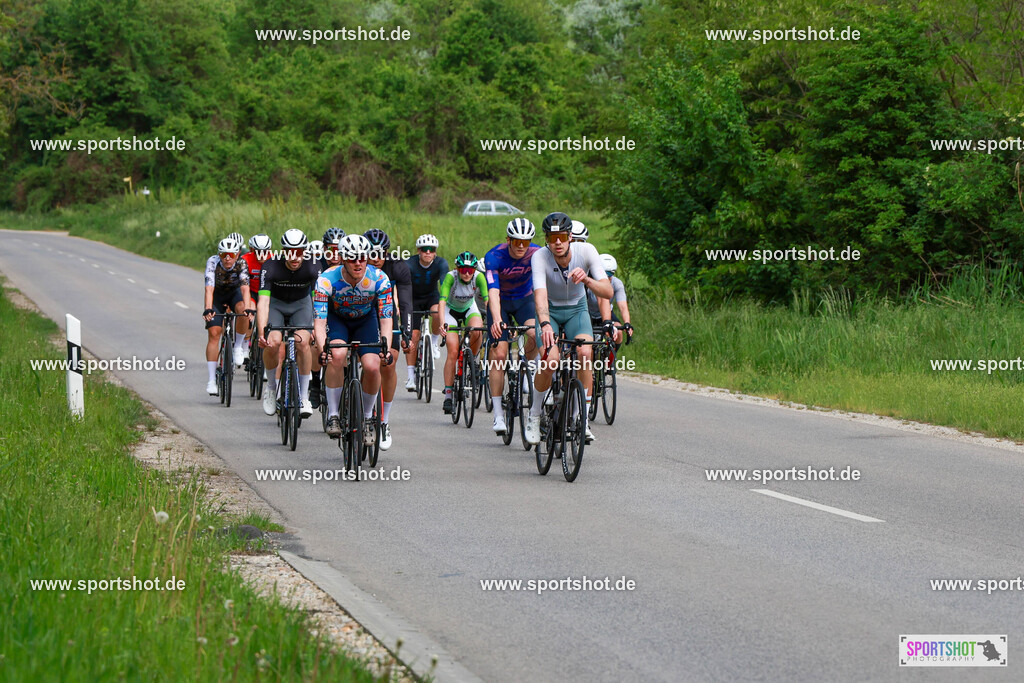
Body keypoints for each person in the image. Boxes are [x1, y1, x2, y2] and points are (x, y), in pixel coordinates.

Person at [526, 212, 612, 444]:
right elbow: (540, 295)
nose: (557, 242)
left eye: (562, 237)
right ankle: (534, 415)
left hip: (577, 310)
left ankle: (580, 420)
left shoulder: (587, 252)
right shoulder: (539, 257)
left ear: (570, 237)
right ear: (546, 239)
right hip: (550, 312)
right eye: (552, 238)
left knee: (585, 353)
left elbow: (608, 292)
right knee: (551, 360)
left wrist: (587, 280)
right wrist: (544, 323)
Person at [314, 235, 394, 445]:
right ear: (342, 258)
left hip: (366, 321)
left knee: (373, 365)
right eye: (351, 258)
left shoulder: (380, 278)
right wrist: (324, 348)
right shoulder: (326, 279)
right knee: (337, 354)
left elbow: (386, 319)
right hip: (337, 319)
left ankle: (368, 417)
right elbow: (320, 323)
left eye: (362, 257)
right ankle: (333, 414)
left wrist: (385, 347)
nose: (358, 263)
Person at [255, 229, 320, 418]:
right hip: (276, 304)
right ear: (283, 251)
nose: (295, 256)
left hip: (302, 305)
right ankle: (271, 388)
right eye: (290, 251)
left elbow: (319, 301)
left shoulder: (313, 266)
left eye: (299, 251)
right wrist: (261, 332)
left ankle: (303, 396)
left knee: (303, 343)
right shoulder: (270, 266)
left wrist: (317, 327)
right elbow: (263, 302)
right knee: (273, 342)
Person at [484, 218, 540, 434]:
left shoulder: (536, 254)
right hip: (501, 304)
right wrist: (497, 319)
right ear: (508, 239)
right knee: (498, 353)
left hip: (525, 301)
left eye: (525, 242)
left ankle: (528, 366)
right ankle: (498, 414)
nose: (520, 246)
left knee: (535, 333)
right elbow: (493, 292)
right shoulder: (494, 257)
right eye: (516, 241)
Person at [365, 228, 411, 450]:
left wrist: (407, 332)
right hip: (360, 315)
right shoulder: (355, 266)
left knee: (388, 363)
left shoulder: (398, 267)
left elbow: (405, 303)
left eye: (381, 253)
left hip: (386, 315)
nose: (376, 259)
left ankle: (383, 421)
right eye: (372, 254)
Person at [438, 251, 488, 414]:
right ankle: (448, 395)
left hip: (469, 309)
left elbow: (487, 302)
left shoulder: (479, 277)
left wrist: (494, 321)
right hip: (450, 312)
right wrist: (442, 323)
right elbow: (442, 302)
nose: (467, 273)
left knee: (477, 330)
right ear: (457, 269)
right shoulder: (450, 277)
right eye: (463, 269)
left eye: (470, 270)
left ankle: (473, 359)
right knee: (452, 351)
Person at [202, 236, 253, 394]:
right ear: (219, 255)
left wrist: (248, 308)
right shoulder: (213, 262)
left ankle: (238, 346)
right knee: (214, 333)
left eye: (231, 254)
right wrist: (208, 308)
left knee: (243, 310)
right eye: (224, 254)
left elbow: (245, 288)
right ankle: (211, 380)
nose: (228, 258)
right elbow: (209, 287)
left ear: (237, 254)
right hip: (217, 296)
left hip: (234, 294)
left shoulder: (242, 263)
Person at [404, 234, 448, 388]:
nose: (428, 252)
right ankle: (410, 377)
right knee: (414, 336)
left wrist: (445, 301)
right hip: (413, 299)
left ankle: (434, 342)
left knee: (437, 312)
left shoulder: (441, 263)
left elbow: (444, 285)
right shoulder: (409, 264)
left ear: (435, 252)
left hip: (431, 297)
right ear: (419, 251)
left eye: (431, 249)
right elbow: (403, 286)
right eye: (424, 250)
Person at [588, 253, 633, 346]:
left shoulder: (617, 283)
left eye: (610, 275)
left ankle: (611, 358)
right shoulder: (589, 282)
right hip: (588, 313)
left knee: (619, 332)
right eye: (604, 274)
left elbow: (623, 306)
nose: (607, 278)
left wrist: (627, 323)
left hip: (607, 313)